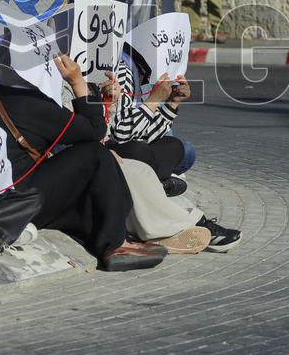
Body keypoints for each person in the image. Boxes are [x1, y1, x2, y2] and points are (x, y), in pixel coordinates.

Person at [0, 43, 165, 271]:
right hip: (15, 200)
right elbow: (95, 130)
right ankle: (115, 244)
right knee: (94, 155)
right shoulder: (31, 103)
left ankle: (109, 235)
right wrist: (77, 82)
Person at [101, 59, 241, 253]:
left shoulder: (126, 67)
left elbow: (135, 133)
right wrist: (152, 102)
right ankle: (191, 223)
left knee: (176, 147)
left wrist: (170, 105)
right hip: (105, 155)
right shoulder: (94, 70)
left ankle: (161, 188)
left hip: (118, 148)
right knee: (137, 153)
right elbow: (121, 135)